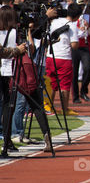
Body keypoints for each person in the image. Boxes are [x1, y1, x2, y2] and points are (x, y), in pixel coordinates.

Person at [0, 8, 53, 157]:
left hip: (4, 73)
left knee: (7, 106)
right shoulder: (17, 33)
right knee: (36, 103)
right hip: (19, 71)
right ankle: (46, 136)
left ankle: (7, 140)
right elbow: (31, 48)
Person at [45, 4, 77, 114]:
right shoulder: (72, 25)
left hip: (51, 55)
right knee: (65, 84)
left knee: (51, 82)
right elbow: (74, 44)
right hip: (64, 57)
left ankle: (49, 106)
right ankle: (65, 108)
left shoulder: (54, 22)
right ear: (77, 16)